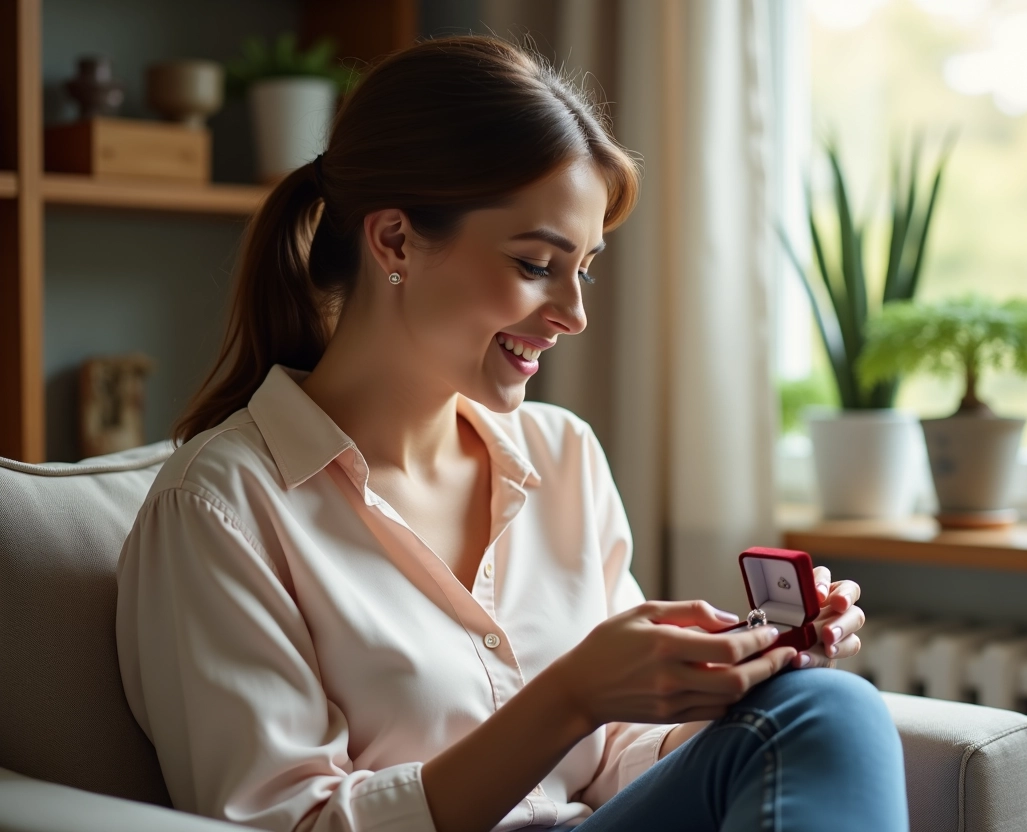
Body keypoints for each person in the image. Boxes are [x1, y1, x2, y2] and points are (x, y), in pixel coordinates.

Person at [114, 35, 908, 832]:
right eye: (536, 264)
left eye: (585, 267)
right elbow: (289, 821)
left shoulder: (562, 456)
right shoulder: (220, 508)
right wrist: (571, 696)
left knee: (821, 707)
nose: (574, 313)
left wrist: (740, 674)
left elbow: (616, 759)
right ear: (393, 241)